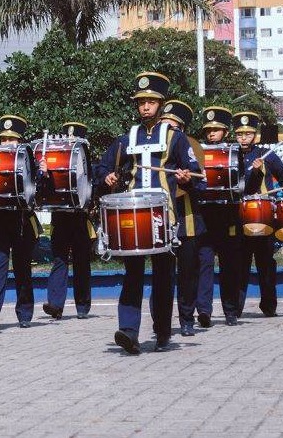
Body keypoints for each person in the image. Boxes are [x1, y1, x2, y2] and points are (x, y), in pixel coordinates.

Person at [94, 72, 203, 354]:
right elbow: (103, 168)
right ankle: (129, 331)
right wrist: (107, 177)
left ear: (161, 104)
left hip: (164, 216)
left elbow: (196, 173)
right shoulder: (126, 138)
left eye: (151, 102)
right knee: (132, 273)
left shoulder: (177, 139)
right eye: (141, 102)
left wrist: (184, 176)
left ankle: (163, 332)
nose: (145, 107)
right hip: (134, 213)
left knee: (163, 276)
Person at [234, 111, 283, 318]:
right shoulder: (231, 155)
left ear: (255, 135)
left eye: (248, 134)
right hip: (239, 216)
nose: (243, 138)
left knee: (266, 263)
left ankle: (269, 306)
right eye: (239, 134)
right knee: (240, 263)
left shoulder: (266, 154)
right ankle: (235, 308)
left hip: (263, 215)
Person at [0, 115, 39, 329]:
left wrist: (40, 172)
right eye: (3, 139)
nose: (7, 143)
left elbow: (38, 189)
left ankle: (24, 313)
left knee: (23, 267)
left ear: (20, 141)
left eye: (11, 139)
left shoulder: (30, 160)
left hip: (22, 218)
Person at [158, 100, 208, 337]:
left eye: (172, 126)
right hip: (160, 219)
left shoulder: (189, 147)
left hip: (186, 219)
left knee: (188, 273)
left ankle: (187, 318)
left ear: (181, 129)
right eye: (163, 124)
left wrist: (188, 180)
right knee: (162, 274)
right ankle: (162, 324)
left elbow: (202, 183)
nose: (167, 129)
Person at [41, 122, 95, 320]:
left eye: (74, 141)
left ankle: (82, 305)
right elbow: (46, 191)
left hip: (81, 218)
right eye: (68, 140)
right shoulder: (56, 164)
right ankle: (55, 305)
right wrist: (45, 174)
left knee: (82, 261)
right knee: (59, 260)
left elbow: (93, 186)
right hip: (61, 217)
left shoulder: (89, 163)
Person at [197, 106, 241, 326]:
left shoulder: (234, 151)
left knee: (229, 263)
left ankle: (230, 310)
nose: (211, 133)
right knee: (204, 262)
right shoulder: (197, 151)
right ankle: (203, 311)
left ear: (225, 131)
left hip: (227, 213)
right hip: (205, 213)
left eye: (216, 129)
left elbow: (240, 184)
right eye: (208, 130)